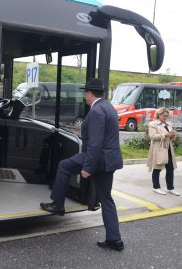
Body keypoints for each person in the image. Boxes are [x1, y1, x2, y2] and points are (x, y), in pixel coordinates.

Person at [40, 78, 124, 251]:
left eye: (85, 93)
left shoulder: (96, 112)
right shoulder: (108, 107)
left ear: (91, 94)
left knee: (63, 166)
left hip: (96, 159)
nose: (84, 96)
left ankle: (57, 204)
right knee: (106, 198)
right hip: (109, 160)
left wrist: (87, 167)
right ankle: (115, 240)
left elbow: (95, 143)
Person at [147, 107, 179, 195]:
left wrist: (172, 135)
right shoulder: (153, 124)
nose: (166, 117)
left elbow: (170, 136)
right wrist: (165, 135)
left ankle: (170, 188)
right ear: (159, 114)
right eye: (164, 116)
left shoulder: (168, 123)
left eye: (167, 116)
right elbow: (152, 136)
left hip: (168, 148)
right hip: (158, 148)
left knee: (170, 168)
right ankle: (156, 187)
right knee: (157, 167)